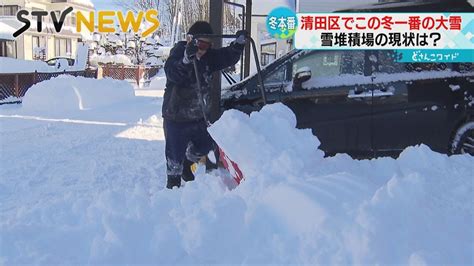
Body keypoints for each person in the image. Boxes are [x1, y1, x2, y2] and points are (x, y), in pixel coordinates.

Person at [163, 21, 247, 189]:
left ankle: (188, 163)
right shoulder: (179, 52)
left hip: (199, 115)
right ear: (190, 40)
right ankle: (172, 187)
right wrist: (186, 59)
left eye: (207, 45)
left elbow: (226, 56)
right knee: (174, 156)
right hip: (176, 116)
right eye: (200, 44)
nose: (203, 49)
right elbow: (172, 72)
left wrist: (237, 46)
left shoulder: (208, 57)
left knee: (204, 146)